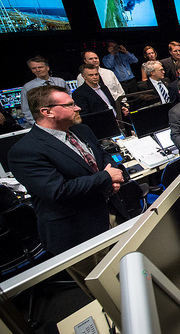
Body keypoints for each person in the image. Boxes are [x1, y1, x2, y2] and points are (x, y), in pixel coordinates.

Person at [8, 85, 125, 292]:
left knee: (129, 275)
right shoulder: (25, 151)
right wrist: (106, 177)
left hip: (110, 214)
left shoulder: (81, 130)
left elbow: (103, 155)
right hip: (77, 232)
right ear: (47, 112)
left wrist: (112, 175)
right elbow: (58, 191)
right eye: (70, 104)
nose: (77, 107)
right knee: (109, 292)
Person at [20, 55, 69, 125]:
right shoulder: (28, 87)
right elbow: (26, 109)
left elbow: (70, 99)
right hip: (44, 123)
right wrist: (36, 124)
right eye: (34, 68)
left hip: (65, 119)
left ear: (47, 68)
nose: (37, 70)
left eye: (40, 67)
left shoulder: (60, 81)